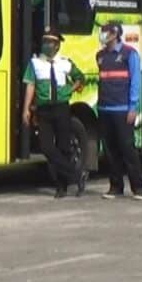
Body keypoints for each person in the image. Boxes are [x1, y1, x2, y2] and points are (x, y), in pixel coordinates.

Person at [22, 27, 87, 199]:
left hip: (62, 108)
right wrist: (26, 109)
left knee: (64, 147)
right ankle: (76, 174)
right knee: (46, 147)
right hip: (43, 110)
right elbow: (30, 86)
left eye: (51, 42)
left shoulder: (65, 63)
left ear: (58, 45)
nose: (47, 45)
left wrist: (69, 89)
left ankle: (62, 187)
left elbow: (81, 78)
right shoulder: (35, 63)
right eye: (45, 41)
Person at [96, 21, 142, 201]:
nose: (102, 35)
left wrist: (133, 107)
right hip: (104, 108)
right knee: (110, 150)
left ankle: (138, 188)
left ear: (115, 33)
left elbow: (135, 82)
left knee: (128, 149)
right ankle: (115, 186)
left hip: (123, 109)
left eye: (105, 32)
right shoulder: (100, 56)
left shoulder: (129, 54)